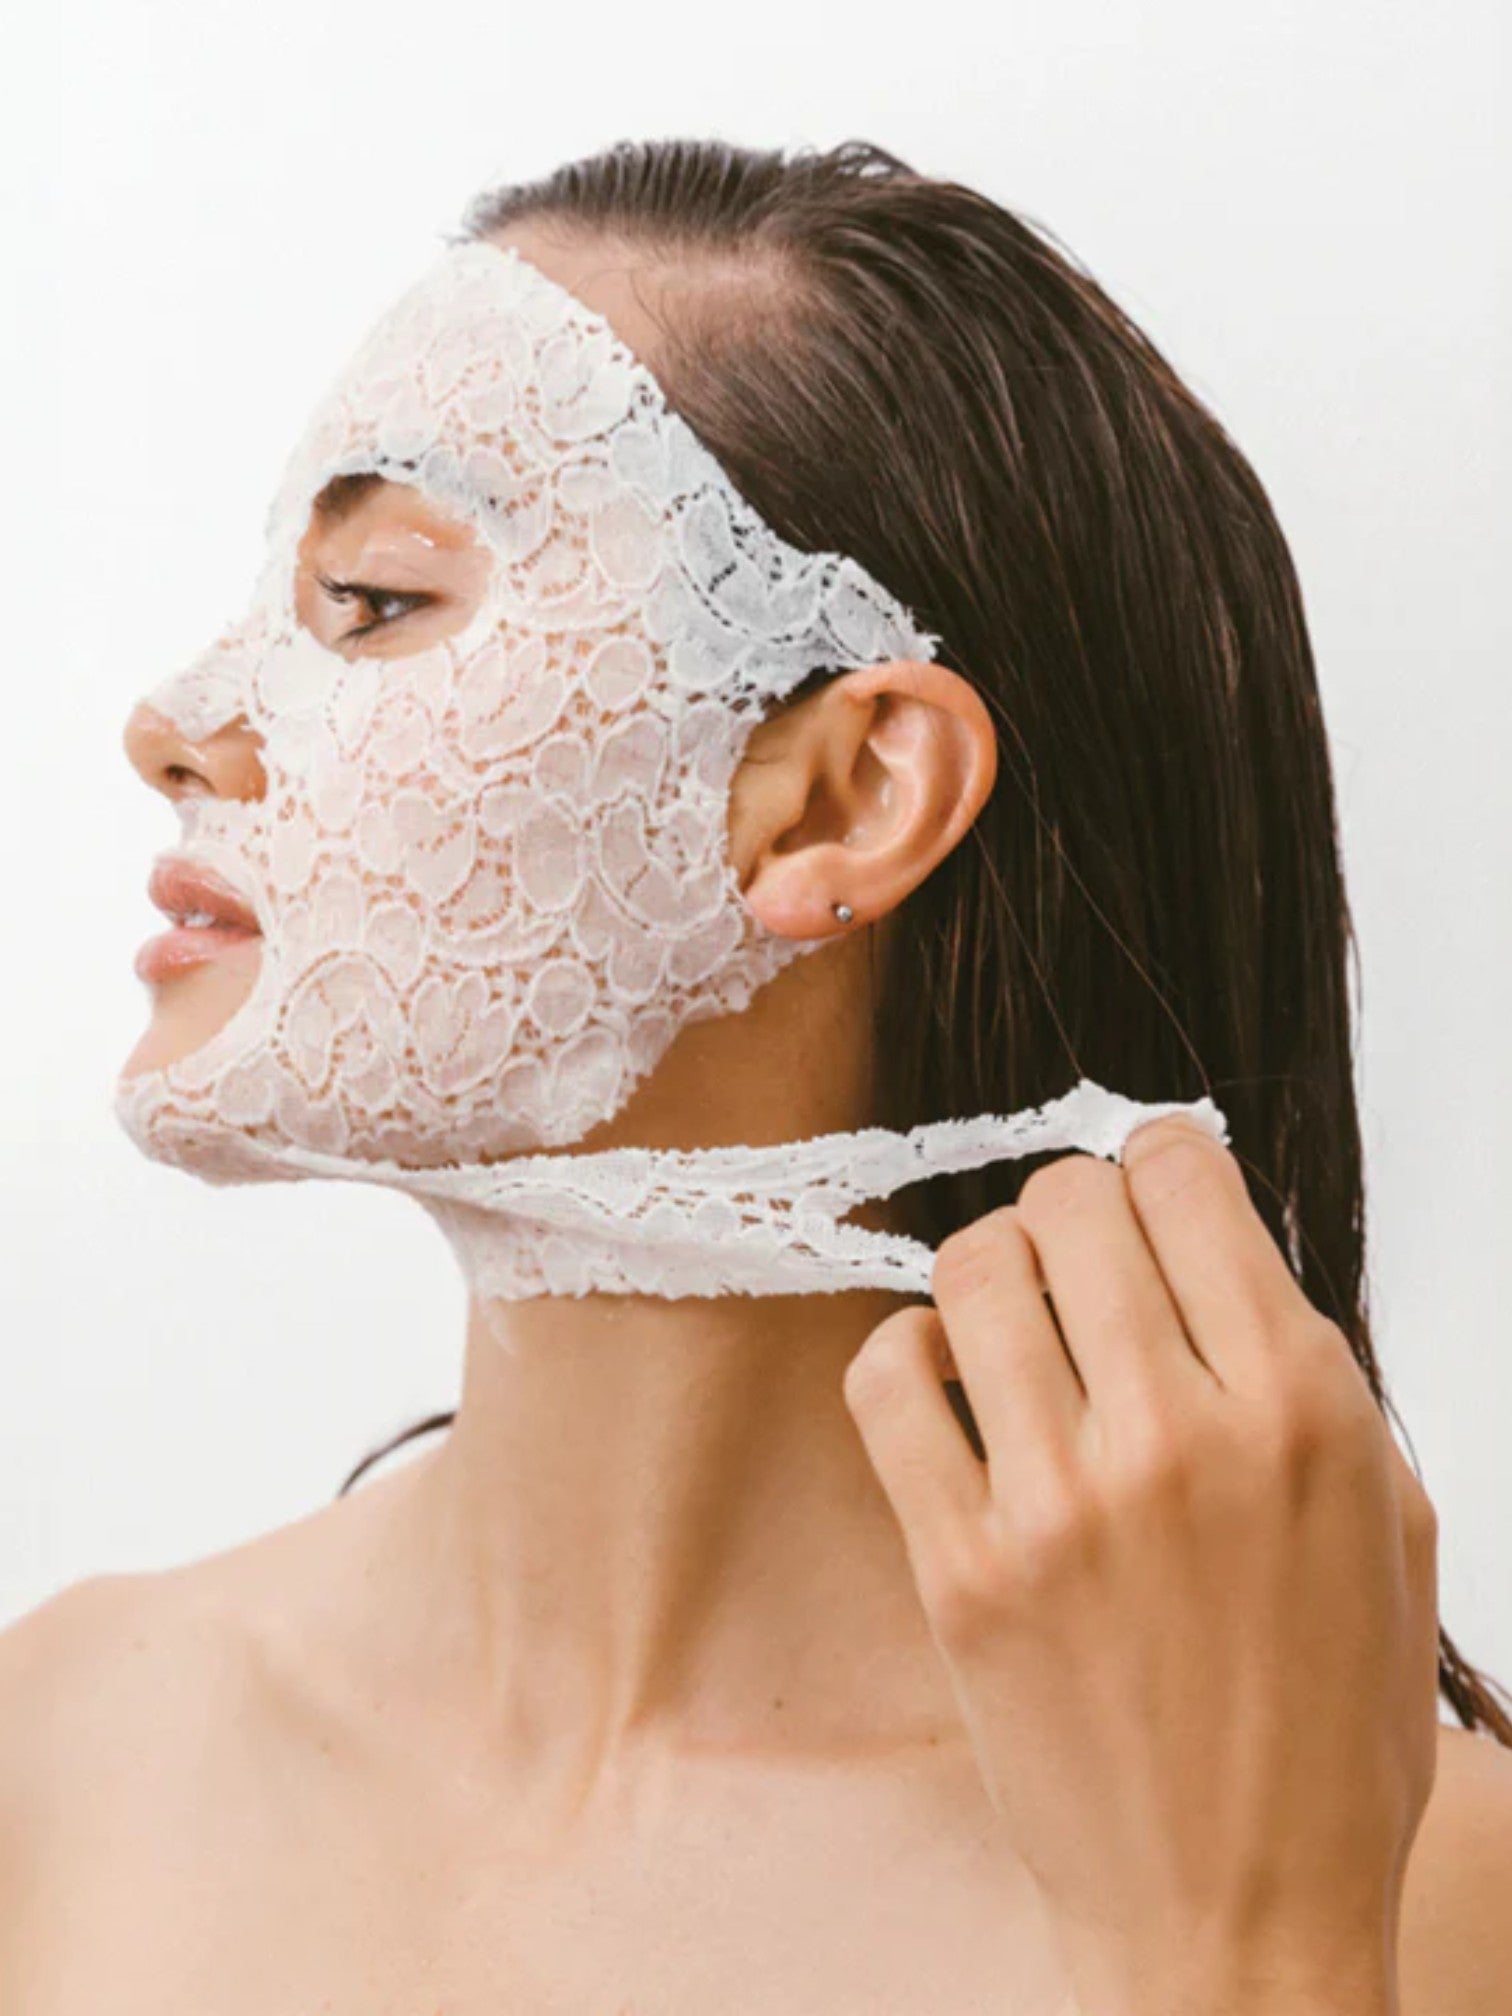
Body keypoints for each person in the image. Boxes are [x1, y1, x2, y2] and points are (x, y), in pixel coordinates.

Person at [3, 138, 1510, 2013]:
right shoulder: (55, 1762)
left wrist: (1236, 1961)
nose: (178, 722)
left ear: (844, 794)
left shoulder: (1420, 1904)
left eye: (378, 603)